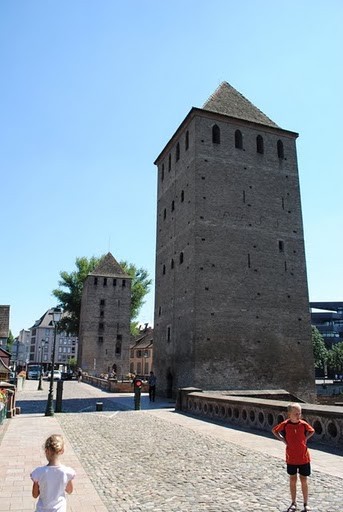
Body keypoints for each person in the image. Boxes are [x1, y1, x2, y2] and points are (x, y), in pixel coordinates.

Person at [272, 403, 315, 512]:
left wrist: (305, 438)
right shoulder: (285, 424)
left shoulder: (303, 424)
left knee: (304, 480)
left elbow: (312, 430)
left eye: (299, 413)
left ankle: (305, 503)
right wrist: (283, 439)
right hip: (291, 457)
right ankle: (293, 502)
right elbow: (274, 430)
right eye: (296, 413)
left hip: (303, 457)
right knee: (293, 479)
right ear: (289, 414)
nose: (298, 415)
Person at [30, 434, 75, 512]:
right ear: (62, 451)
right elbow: (69, 491)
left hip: (42, 509)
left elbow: (35, 495)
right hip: (59, 509)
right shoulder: (67, 472)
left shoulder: (38, 472)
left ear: (46, 451)